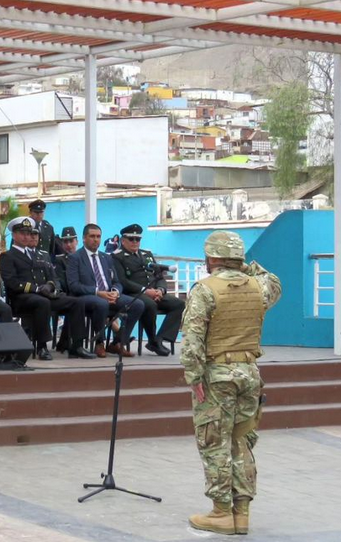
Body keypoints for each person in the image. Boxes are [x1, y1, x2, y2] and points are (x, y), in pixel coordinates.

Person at [181, 231, 282, 536]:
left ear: (211, 258)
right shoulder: (257, 286)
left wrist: (194, 377)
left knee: (214, 442)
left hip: (217, 375)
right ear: (238, 258)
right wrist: (246, 267)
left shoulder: (204, 289)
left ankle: (221, 512)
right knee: (242, 442)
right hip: (250, 374)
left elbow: (192, 341)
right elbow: (274, 282)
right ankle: (242, 513)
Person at [0, 217, 90, 360]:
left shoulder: (38, 255)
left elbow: (52, 276)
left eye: (29, 233)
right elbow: (12, 282)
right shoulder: (7, 256)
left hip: (44, 295)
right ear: (14, 235)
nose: (26, 236)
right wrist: (36, 288)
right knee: (42, 303)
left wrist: (49, 285)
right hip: (22, 298)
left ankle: (76, 346)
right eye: (22, 233)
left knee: (77, 302)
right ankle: (42, 346)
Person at [67, 223, 143, 358]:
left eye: (98, 236)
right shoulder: (75, 258)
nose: (95, 239)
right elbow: (73, 285)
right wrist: (97, 292)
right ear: (84, 238)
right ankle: (99, 343)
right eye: (92, 236)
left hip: (109, 294)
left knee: (137, 304)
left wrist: (115, 291)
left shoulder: (106, 257)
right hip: (87, 296)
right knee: (101, 303)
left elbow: (117, 281)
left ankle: (118, 342)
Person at [111, 223, 183, 356]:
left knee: (179, 304)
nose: (135, 242)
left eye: (137, 239)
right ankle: (153, 341)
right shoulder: (117, 256)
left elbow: (159, 276)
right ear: (123, 240)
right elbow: (122, 281)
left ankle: (160, 338)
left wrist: (161, 289)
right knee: (148, 304)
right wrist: (145, 291)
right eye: (131, 239)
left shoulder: (147, 254)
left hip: (154, 292)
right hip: (134, 293)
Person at [54, 226, 78, 291]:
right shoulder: (59, 260)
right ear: (62, 244)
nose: (68, 245)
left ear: (77, 242)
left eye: (71, 241)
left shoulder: (83, 258)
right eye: (65, 242)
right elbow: (62, 283)